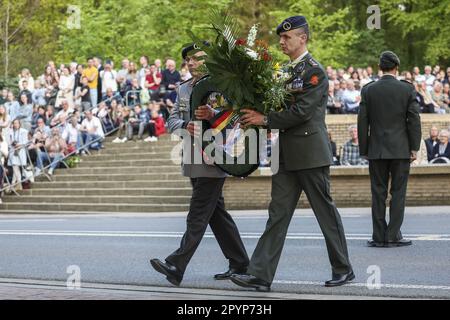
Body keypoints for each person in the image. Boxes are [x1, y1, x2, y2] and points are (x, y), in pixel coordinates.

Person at [232, 16, 354, 291]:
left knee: (325, 213)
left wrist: (264, 119)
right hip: (286, 154)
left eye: (287, 37)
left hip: (310, 153)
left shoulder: (315, 72)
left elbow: (301, 112)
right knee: (277, 213)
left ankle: (343, 269)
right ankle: (260, 275)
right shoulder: (286, 71)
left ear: (303, 38)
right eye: (281, 38)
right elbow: (276, 104)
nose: (282, 42)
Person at [150, 42, 249, 287]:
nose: (191, 63)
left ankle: (177, 264)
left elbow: (234, 117)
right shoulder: (184, 89)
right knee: (217, 215)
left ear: (208, 60)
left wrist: (212, 118)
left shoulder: (221, 84)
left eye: (196, 59)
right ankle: (240, 262)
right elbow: (173, 118)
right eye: (188, 60)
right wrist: (186, 125)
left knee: (198, 213)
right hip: (193, 157)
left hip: (213, 156)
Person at [358, 51, 421, 248]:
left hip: (377, 150)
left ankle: (378, 236)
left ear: (380, 67)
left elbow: (362, 122)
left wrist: (364, 148)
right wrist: (414, 147)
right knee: (398, 193)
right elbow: (414, 120)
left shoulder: (368, 90)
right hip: (401, 149)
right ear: (396, 68)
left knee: (378, 193)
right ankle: (393, 235)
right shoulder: (407, 89)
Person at [6, 119, 29, 192]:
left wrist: (19, 144)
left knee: (17, 168)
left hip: (20, 151)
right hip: (13, 151)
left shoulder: (24, 131)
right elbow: (9, 143)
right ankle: (18, 184)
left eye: (16, 123)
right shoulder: (11, 132)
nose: (15, 124)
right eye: (14, 123)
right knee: (15, 167)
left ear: (19, 123)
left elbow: (26, 142)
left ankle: (15, 184)